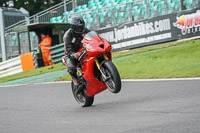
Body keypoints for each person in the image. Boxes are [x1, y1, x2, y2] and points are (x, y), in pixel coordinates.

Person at [63, 16, 90, 86]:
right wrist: (74, 54)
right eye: (77, 28)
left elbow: (93, 37)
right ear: (73, 27)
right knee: (72, 68)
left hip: (83, 50)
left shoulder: (86, 31)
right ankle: (75, 78)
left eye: (81, 27)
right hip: (70, 54)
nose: (80, 29)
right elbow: (68, 50)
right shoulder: (68, 36)